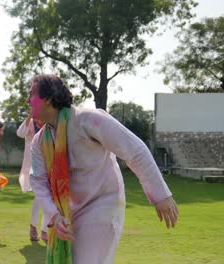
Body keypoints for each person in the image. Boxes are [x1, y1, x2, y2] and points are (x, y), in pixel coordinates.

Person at [28, 74, 179, 264]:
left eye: (31, 94)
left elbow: (134, 149)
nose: (27, 99)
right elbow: (38, 181)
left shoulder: (88, 119)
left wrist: (160, 195)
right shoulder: (40, 141)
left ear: (48, 99)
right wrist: (54, 214)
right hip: (70, 212)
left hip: (104, 204)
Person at [16, 117, 48, 241]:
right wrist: (29, 117)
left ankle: (45, 229)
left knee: (49, 198)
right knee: (39, 197)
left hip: (49, 165)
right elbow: (20, 133)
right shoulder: (31, 124)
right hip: (33, 166)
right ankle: (34, 227)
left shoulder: (50, 123)